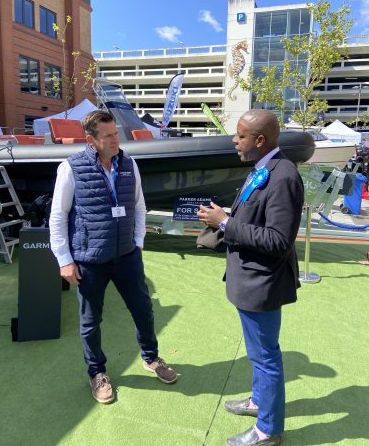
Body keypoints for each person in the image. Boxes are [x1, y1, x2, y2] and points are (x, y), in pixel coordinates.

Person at [50, 110, 177, 404]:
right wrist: (64, 260)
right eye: (107, 136)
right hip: (90, 261)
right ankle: (97, 372)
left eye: (115, 133)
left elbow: (139, 205)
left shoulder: (129, 164)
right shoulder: (70, 168)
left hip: (127, 255)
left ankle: (151, 359)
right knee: (91, 320)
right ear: (91, 140)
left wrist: (138, 242)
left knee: (143, 310)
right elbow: (58, 217)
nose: (114, 140)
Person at [197, 109, 304, 446]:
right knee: (259, 353)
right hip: (250, 282)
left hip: (263, 286)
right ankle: (259, 402)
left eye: (240, 136)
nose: (234, 140)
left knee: (265, 356)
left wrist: (225, 224)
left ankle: (268, 431)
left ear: (259, 140)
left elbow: (278, 241)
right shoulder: (263, 168)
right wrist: (226, 218)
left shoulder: (283, 176)